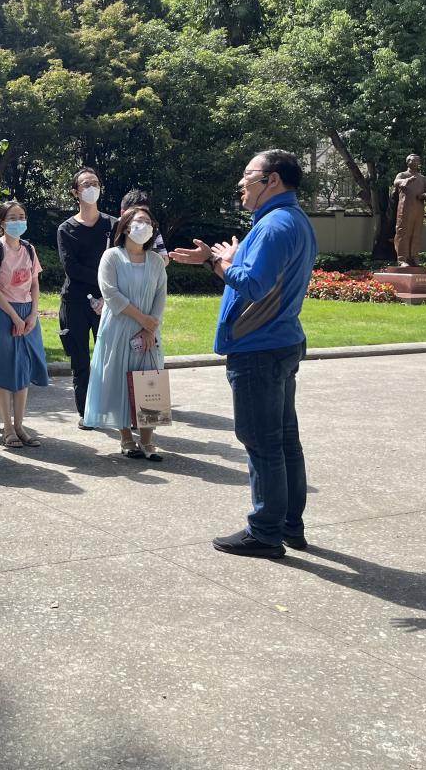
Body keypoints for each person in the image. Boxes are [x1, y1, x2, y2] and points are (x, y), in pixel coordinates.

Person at [170, 149, 317, 559]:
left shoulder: (274, 226)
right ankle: (289, 525)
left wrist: (215, 262)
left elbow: (253, 286)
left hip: (259, 348)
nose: (241, 186)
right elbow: (264, 276)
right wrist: (228, 258)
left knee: (262, 443)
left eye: (247, 177)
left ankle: (266, 532)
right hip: (281, 342)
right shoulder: (294, 220)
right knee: (284, 440)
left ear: (272, 180)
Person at [82, 206, 168, 460]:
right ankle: (126, 438)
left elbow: (160, 296)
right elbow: (110, 293)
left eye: (149, 222)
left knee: (149, 381)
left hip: (149, 331)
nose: (146, 226)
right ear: (127, 226)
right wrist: (142, 320)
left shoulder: (156, 261)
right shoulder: (111, 257)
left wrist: (150, 326)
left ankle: (148, 440)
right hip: (118, 329)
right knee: (118, 379)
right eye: (140, 221)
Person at [0, 200, 49, 449]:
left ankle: (20, 426)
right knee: (4, 372)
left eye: (22, 216)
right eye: (13, 217)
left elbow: (35, 283)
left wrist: (33, 314)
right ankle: (7, 428)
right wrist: (14, 317)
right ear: (2, 223)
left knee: (23, 371)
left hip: (27, 313)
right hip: (3, 313)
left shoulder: (29, 248)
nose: (18, 221)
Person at [57, 168, 118, 429]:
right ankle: (86, 412)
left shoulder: (113, 225)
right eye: (85, 184)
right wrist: (102, 281)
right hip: (76, 302)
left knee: (110, 358)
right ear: (75, 192)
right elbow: (71, 268)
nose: (91, 188)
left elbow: (120, 261)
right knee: (80, 360)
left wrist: (107, 295)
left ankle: (113, 409)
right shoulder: (66, 229)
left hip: (110, 301)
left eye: (95, 183)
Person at [392, 154, 426, 267]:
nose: (415, 162)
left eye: (417, 161)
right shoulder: (402, 175)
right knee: (403, 232)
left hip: (418, 208)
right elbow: (396, 182)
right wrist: (405, 181)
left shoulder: (422, 178)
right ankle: (402, 259)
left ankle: (414, 257)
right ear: (408, 162)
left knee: (416, 233)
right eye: (413, 160)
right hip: (405, 208)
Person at [119, 189, 170, 263]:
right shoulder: (109, 227)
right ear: (123, 213)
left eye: (146, 213)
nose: (144, 224)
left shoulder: (153, 230)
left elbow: (165, 259)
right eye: (139, 218)